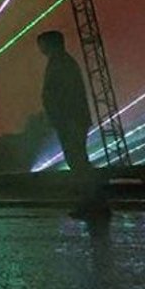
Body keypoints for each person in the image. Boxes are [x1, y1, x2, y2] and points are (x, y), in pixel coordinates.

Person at [38, 30, 108, 218]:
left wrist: (63, 118)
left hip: (70, 120)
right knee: (78, 160)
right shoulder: (62, 61)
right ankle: (93, 202)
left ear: (50, 44)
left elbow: (64, 94)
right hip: (71, 119)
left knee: (78, 161)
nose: (40, 48)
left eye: (42, 43)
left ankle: (93, 203)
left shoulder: (61, 63)